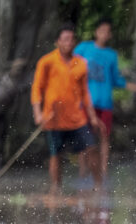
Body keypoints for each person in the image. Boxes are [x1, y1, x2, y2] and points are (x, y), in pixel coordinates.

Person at [31, 25, 104, 195]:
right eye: (65, 39)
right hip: (53, 118)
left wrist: (92, 116)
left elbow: (85, 93)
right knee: (56, 154)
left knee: (92, 148)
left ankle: (99, 186)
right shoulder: (46, 62)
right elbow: (37, 88)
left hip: (76, 118)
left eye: (71, 40)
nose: (68, 43)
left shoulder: (81, 63)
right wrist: (38, 113)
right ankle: (56, 188)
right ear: (57, 42)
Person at [74, 18, 136, 179]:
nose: (105, 34)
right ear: (96, 32)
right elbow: (71, 67)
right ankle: (83, 172)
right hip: (86, 102)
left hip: (105, 102)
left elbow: (115, 79)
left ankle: (103, 171)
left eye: (108, 32)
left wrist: (133, 86)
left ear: (110, 35)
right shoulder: (83, 48)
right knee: (84, 137)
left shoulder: (111, 55)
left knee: (104, 136)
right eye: (102, 30)